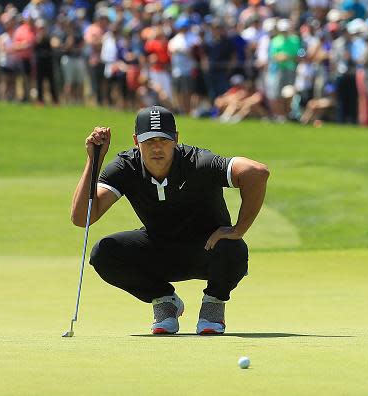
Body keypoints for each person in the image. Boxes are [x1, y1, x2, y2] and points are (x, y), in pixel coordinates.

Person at [71, 105, 269, 335]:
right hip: (159, 251)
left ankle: (213, 306)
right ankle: (165, 301)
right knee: (104, 253)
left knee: (233, 247)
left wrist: (238, 229)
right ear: (136, 140)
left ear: (175, 139)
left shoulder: (198, 162)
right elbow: (81, 217)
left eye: (163, 140)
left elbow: (257, 172)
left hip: (208, 251)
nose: (156, 147)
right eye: (149, 140)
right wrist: (94, 160)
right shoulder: (126, 166)